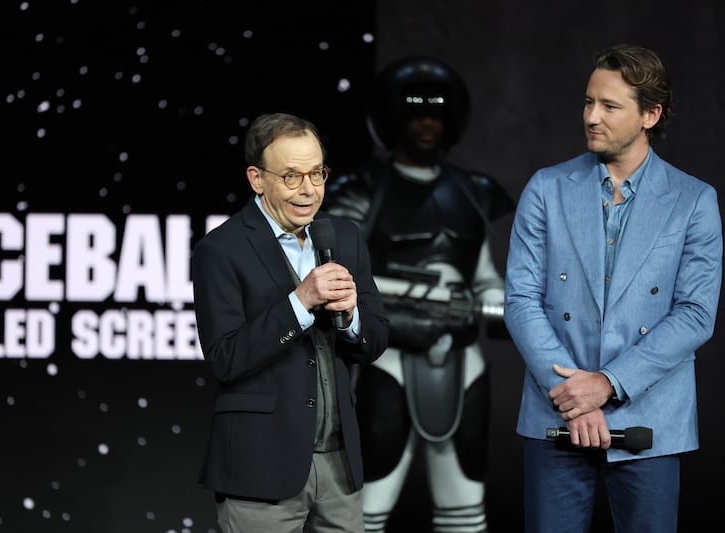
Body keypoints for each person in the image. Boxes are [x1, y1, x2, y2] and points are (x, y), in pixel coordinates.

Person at [504, 43, 722, 533]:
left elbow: (694, 314)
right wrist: (573, 397)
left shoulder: (693, 201)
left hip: (651, 419)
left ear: (650, 114)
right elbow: (520, 299)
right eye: (588, 102)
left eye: (609, 105)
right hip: (556, 413)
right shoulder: (546, 188)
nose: (592, 117)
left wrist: (606, 384)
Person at [324, 56, 513, 533]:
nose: (428, 124)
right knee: (365, 506)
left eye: (437, 114)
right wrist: (395, 320)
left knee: (464, 506)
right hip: (387, 358)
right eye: (415, 113)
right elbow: (334, 279)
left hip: (462, 361)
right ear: (393, 118)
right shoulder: (360, 190)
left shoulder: (472, 193)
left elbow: (484, 276)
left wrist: (499, 303)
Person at [192, 112, 390, 533]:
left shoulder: (344, 237)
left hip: (339, 466)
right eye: (291, 177)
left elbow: (375, 340)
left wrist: (351, 317)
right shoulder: (221, 249)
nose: (309, 190)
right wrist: (300, 303)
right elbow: (226, 357)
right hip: (260, 469)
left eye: (317, 173)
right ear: (257, 179)